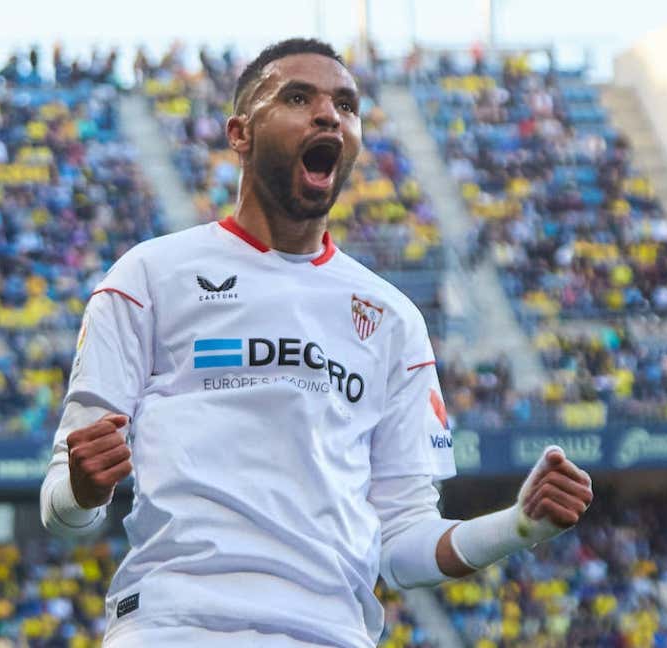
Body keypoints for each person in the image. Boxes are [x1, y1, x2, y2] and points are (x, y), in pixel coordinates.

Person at [39, 38, 593, 647]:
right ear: (240, 133)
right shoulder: (147, 276)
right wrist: (85, 488)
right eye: (297, 97)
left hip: (330, 634)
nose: (329, 114)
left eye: (347, 105)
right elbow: (63, 507)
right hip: (175, 625)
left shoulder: (392, 318)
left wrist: (518, 526)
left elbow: (403, 543)